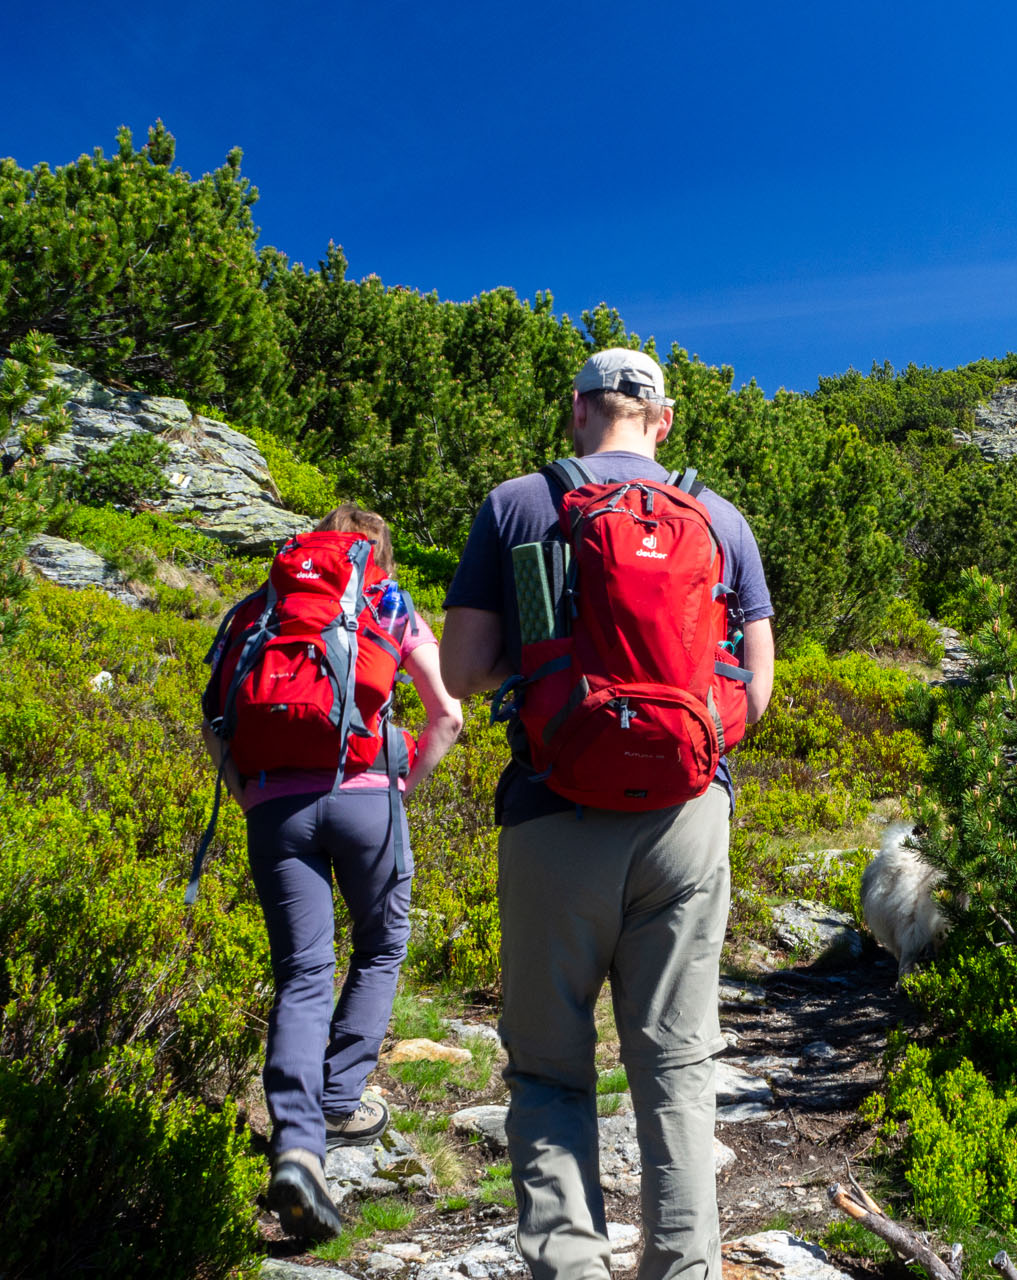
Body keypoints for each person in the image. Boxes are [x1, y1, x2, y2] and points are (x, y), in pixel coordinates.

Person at [440, 348, 775, 1280]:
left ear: (577, 410)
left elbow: (460, 671)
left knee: (550, 1069)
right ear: (663, 420)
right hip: (689, 818)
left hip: (553, 814)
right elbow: (763, 686)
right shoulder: (721, 519)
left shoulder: (518, 505)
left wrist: (557, 680)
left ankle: (572, 1267)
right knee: (676, 1068)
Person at [202, 502, 465, 1240]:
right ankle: (342, 1099)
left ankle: (296, 1146)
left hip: (274, 809)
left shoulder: (258, 610)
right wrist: (398, 787)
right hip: (368, 801)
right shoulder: (387, 602)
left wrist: (254, 796)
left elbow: (214, 719)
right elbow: (447, 715)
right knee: (381, 945)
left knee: (303, 973)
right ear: (372, 553)